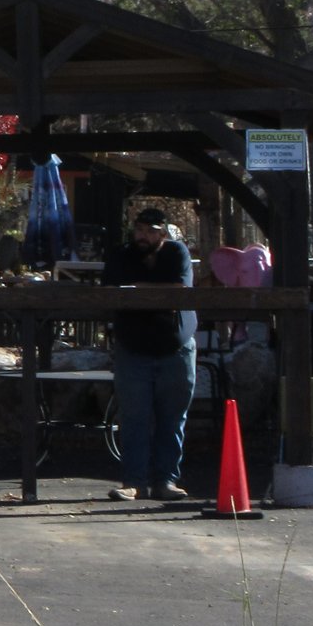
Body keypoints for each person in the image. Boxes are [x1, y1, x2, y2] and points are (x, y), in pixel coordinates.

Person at [103, 206, 194, 500]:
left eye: (150, 231)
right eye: (139, 230)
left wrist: (139, 289)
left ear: (162, 234)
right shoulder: (121, 254)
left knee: (173, 419)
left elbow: (180, 288)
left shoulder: (177, 252)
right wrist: (153, 292)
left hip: (176, 349)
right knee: (134, 418)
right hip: (133, 348)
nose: (142, 236)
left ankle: (166, 481)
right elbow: (113, 290)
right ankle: (134, 482)